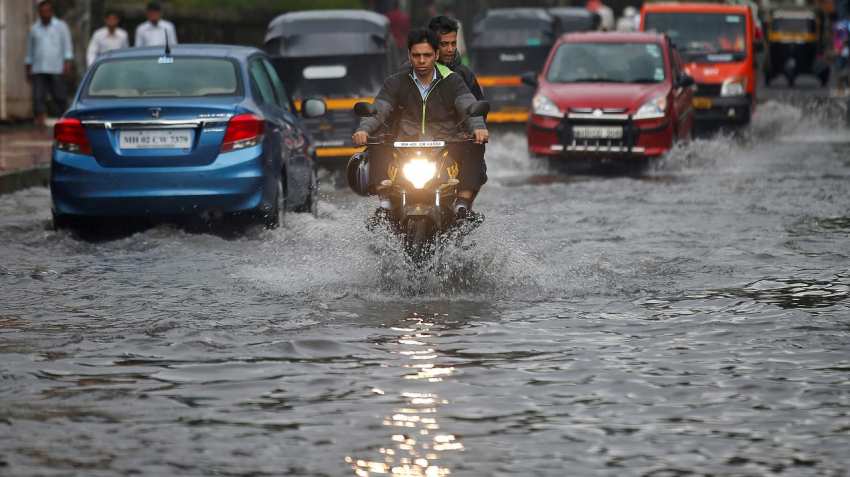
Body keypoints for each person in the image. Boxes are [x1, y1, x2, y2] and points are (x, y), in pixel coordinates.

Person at [352, 28, 489, 220]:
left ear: (436, 55)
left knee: (475, 147)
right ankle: (385, 205)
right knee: (376, 144)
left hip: (446, 147)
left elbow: (468, 106)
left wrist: (478, 128)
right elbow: (379, 109)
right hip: (404, 148)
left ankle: (462, 206)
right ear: (409, 55)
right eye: (416, 55)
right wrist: (363, 130)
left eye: (427, 55)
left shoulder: (453, 81)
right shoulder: (395, 82)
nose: (422, 60)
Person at [25, 0, 73, 128]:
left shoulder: (61, 26)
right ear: (39, 13)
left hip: (56, 67)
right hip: (38, 67)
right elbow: (30, 50)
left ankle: (64, 119)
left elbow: (67, 45)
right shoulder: (34, 28)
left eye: (47, 11)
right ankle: (40, 121)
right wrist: (28, 66)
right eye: (42, 11)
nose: (45, 14)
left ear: (51, 12)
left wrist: (67, 63)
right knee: (38, 96)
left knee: (59, 95)